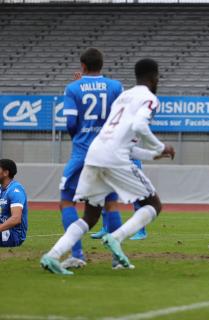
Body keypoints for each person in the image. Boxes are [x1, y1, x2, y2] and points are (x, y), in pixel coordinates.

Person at [41, 58, 175, 275]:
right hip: (114, 159)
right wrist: (161, 146)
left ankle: (52, 256)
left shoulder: (124, 96)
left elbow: (124, 142)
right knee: (154, 204)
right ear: (154, 77)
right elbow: (139, 126)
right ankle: (116, 237)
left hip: (95, 154)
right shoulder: (149, 98)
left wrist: (154, 153)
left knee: (91, 216)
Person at [59, 48, 123, 269]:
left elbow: (70, 123)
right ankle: (117, 258)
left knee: (67, 201)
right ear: (102, 65)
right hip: (109, 153)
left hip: (83, 152)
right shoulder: (116, 87)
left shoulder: (73, 88)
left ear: (83, 66)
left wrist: (78, 138)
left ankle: (77, 254)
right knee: (111, 203)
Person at [0, 159, 28, 248]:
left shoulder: (15, 190)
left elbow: (16, 219)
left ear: (5, 173)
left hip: (14, 235)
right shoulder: (1, 189)